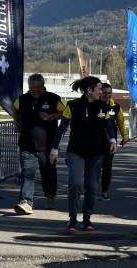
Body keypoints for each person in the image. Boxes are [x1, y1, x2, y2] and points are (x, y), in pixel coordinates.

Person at [51, 76, 118, 233]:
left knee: (92, 186)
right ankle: (73, 219)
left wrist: (113, 139)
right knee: (75, 183)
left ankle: (87, 218)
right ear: (90, 90)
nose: (101, 92)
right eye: (99, 89)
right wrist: (54, 148)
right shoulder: (73, 106)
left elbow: (108, 125)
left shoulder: (103, 106)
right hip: (76, 151)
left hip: (96, 153)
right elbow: (61, 129)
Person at [13, 73, 65, 214]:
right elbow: (15, 109)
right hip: (27, 144)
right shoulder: (22, 99)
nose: (35, 90)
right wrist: (17, 123)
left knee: (48, 173)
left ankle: (50, 197)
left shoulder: (53, 98)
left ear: (43, 86)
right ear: (29, 86)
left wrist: (51, 117)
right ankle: (26, 202)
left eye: (38, 87)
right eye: (32, 88)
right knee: (27, 173)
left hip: (47, 146)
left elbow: (64, 112)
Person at [100, 83, 130, 200]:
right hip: (95, 140)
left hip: (110, 141)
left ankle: (104, 191)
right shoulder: (94, 105)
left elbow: (121, 122)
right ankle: (91, 187)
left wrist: (124, 136)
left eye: (109, 93)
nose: (107, 95)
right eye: (104, 93)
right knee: (95, 165)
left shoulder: (116, 107)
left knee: (107, 166)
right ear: (100, 92)